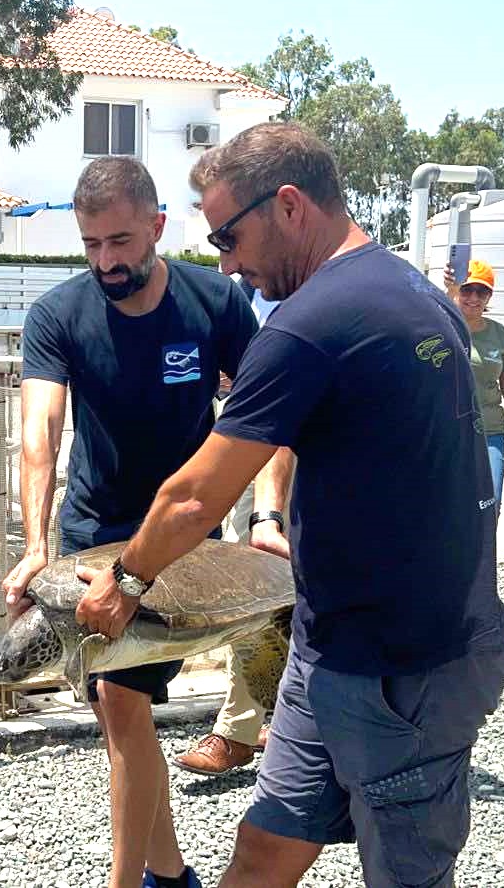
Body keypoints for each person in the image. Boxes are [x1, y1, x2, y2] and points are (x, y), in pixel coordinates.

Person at [75, 122, 504, 888]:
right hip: (332, 646)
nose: (229, 265)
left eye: (229, 239)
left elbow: (192, 495)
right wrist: (278, 524)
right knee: (264, 852)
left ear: (287, 206)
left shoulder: (312, 325)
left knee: (406, 875)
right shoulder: (410, 290)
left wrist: (128, 581)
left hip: (403, 667)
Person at [2, 155, 289, 888]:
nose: (106, 260)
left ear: (158, 227)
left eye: (122, 242)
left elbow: (271, 417)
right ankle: (170, 874)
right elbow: (40, 430)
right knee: (119, 711)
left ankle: (132, 884)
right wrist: (35, 546)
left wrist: (267, 512)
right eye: (92, 244)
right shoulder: (57, 315)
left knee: (123, 706)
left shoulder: (214, 304)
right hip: (91, 538)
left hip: (183, 545)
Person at [173, 280, 292, 776]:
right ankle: (239, 730)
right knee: (255, 594)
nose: (226, 257)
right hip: (254, 447)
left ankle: (297, 728)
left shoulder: (335, 285)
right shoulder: (241, 292)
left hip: (326, 454)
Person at [443, 259, 504, 512]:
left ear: (489, 296)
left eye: (481, 291)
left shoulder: (499, 334)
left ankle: (482, 552)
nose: (473, 297)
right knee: (449, 504)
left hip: (490, 431)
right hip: (449, 432)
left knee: (490, 503)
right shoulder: (441, 326)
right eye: (467, 289)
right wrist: (449, 292)